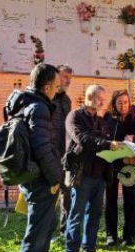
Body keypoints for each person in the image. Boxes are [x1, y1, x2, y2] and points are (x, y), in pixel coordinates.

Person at [64, 84, 122, 252]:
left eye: (104, 100)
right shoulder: (74, 117)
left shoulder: (102, 121)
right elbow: (82, 138)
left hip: (100, 176)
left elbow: (107, 145)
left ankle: (89, 247)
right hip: (82, 175)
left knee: (94, 215)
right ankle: (71, 249)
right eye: (99, 99)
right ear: (89, 97)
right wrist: (107, 144)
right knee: (76, 215)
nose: (102, 103)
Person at [17, 63, 62, 252]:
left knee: (44, 229)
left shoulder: (25, 103)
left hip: (30, 177)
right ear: (46, 87)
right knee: (36, 237)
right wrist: (54, 180)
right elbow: (42, 148)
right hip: (41, 181)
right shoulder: (39, 109)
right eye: (57, 87)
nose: (57, 91)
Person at [105, 89, 135, 246]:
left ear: (130, 103)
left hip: (129, 164)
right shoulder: (108, 118)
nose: (123, 106)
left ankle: (128, 235)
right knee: (110, 200)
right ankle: (111, 235)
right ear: (114, 104)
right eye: (119, 103)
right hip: (111, 164)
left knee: (129, 199)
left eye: (125, 102)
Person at [52, 64, 73, 238]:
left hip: (65, 156)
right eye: (65, 76)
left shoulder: (67, 100)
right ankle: (47, 231)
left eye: (70, 78)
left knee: (67, 195)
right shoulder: (47, 98)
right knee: (49, 195)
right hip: (49, 156)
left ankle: (65, 230)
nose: (68, 81)